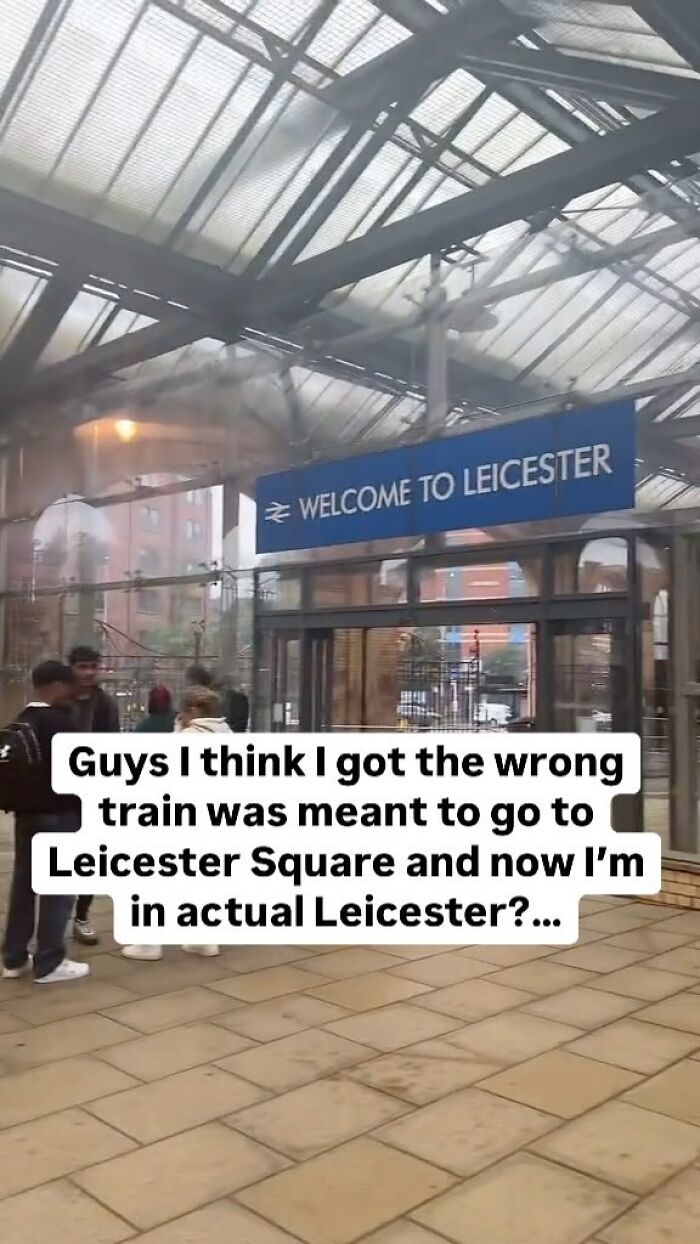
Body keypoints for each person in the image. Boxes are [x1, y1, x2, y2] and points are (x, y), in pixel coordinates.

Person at [122, 686, 230, 962]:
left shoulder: (187, 738)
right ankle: (203, 939)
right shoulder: (226, 734)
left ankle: (147, 943)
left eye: (183, 710)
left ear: (192, 711)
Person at [2, 661, 90, 984]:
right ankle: (50, 962)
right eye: (68, 687)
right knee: (58, 890)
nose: (72, 693)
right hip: (60, 815)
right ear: (55, 686)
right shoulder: (61, 723)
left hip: (26, 818)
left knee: (24, 887)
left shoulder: (21, 720)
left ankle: (13, 959)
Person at [68, 644, 120, 946]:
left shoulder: (105, 704)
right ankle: (32, 923)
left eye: (93, 666)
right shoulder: (60, 700)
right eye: (82, 666)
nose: (88, 672)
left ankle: (82, 915)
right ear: (71, 668)